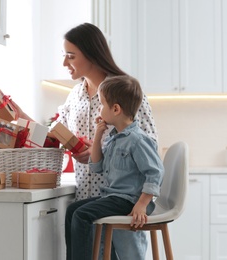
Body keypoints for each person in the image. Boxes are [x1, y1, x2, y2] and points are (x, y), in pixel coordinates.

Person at [15, 23, 158, 259]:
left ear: (92, 54)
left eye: (71, 56)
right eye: (64, 56)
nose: (64, 63)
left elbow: (148, 141)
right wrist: (23, 118)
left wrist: (98, 149)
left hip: (124, 200)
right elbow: (56, 134)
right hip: (87, 195)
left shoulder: (124, 90)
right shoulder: (75, 95)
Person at [65, 75, 164, 260]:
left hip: (128, 199)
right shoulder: (113, 139)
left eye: (102, 105)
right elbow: (96, 166)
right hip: (113, 197)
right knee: (73, 211)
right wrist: (98, 135)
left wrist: (141, 205)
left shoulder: (137, 140)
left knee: (82, 215)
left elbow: (156, 172)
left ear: (116, 109)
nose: (100, 109)